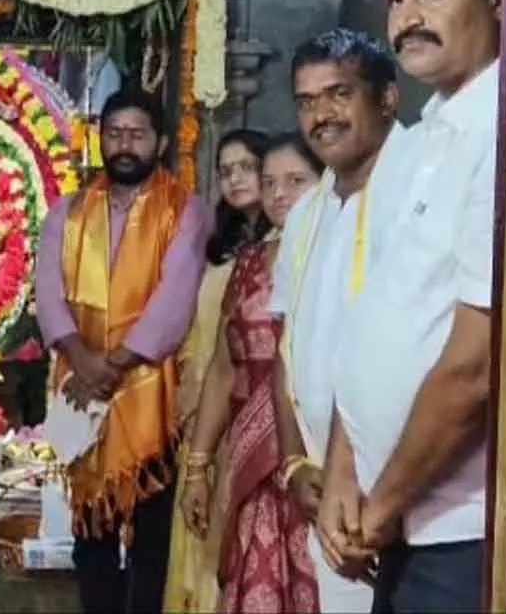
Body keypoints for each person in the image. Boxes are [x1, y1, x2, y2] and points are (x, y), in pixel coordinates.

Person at [319, 0, 503, 612]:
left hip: (457, 529)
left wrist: (382, 501)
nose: (407, 17)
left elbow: (474, 365)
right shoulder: (425, 136)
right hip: (390, 515)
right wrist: (343, 468)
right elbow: (375, 323)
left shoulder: (504, 136)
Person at [35, 87, 209, 614]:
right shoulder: (67, 213)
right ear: (101, 139)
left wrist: (112, 364)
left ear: (158, 142)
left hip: (149, 394)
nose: (124, 145)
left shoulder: (186, 211)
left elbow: (174, 301)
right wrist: (83, 361)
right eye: (115, 134)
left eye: (137, 134)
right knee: (92, 535)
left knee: (151, 537)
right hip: (83, 392)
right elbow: (48, 295)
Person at [268, 28, 404, 613]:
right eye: (306, 101)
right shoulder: (308, 213)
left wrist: (378, 489)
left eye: (339, 93)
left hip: (409, 491)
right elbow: (286, 349)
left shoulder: (420, 188)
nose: (321, 115)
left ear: (388, 98)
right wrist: (296, 461)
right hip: (327, 492)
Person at [180, 132, 323, 613]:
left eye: (296, 181)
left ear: (325, 183)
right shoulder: (248, 264)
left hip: (317, 458)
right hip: (250, 465)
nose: (279, 194)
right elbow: (225, 366)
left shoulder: (339, 258)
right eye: (270, 183)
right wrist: (197, 468)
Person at [165, 128, 271, 613]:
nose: (235, 179)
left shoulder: (284, 244)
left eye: (247, 167)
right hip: (205, 403)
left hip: (255, 410)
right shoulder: (217, 244)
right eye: (225, 170)